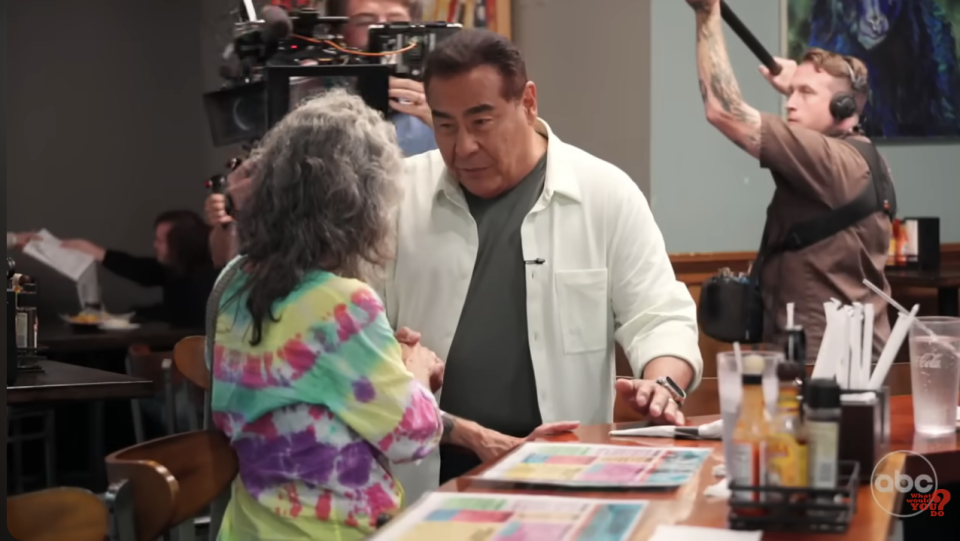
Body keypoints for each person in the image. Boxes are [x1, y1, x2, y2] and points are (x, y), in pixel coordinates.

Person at [209, 30, 703, 502]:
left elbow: (660, 316)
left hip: (563, 466)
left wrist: (661, 384)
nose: (463, 146)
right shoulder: (393, 193)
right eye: (444, 124)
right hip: (420, 470)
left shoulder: (605, 194)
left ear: (527, 103)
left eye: (481, 121)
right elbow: (341, 327)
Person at [208, 89, 444, 540]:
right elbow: (413, 437)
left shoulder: (235, 283)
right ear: (361, 203)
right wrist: (415, 368)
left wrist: (377, 357)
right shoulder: (343, 305)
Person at [686, 0, 893, 361]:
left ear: (845, 109)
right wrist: (800, 84)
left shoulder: (829, 161)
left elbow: (724, 110)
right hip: (849, 356)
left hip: (827, 366)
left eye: (806, 94)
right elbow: (823, 116)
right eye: (791, 92)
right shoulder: (861, 154)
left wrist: (707, 15)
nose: (790, 103)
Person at [206, 0, 436, 267]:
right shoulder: (303, 111)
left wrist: (441, 122)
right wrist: (230, 214)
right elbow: (223, 257)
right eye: (364, 20)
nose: (381, 28)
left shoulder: (435, 118)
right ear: (339, 32)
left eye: (395, 20)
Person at [60, 210, 217, 328]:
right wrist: (94, 251)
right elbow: (141, 270)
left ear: (181, 243)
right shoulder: (175, 267)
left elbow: (180, 315)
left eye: (160, 241)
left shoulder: (203, 277)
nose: (154, 245)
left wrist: (131, 316)